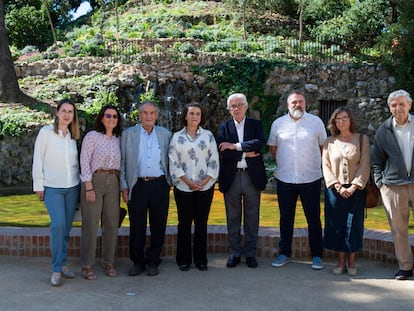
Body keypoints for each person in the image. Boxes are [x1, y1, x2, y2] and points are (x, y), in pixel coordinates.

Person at [267, 90, 327, 270]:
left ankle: (317, 255)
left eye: (300, 101)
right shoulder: (278, 124)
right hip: (285, 178)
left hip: (311, 178)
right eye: (294, 102)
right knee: (286, 218)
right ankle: (284, 253)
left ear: (305, 103)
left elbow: (323, 146)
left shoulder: (316, 123)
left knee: (313, 218)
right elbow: (273, 148)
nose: (297, 105)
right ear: (288, 105)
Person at [32, 98, 81, 287]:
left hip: (72, 187)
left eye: (70, 111)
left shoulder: (72, 135)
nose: (67, 114)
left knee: (66, 228)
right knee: (58, 225)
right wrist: (39, 185)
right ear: (57, 113)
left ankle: (62, 264)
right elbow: (38, 159)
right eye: (64, 111)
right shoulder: (46, 133)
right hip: (53, 187)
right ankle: (56, 269)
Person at [120, 101, 172, 277]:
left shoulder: (166, 134)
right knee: (137, 226)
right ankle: (137, 262)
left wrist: (169, 183)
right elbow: (121, 163)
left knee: (159, 224)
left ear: (157, 115)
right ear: (139, 115)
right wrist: (124, 187)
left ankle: (153, 261)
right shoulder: (128, 134)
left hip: (159, 184)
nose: (148, 116)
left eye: (152, 113)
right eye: (145, 113)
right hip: (137, 185)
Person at [217, 93, 267, 268]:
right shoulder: (224, 128)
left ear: (246, 107)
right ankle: (235, 253)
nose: (236, 108)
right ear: (229, 109)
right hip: (231, 177)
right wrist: (245, 152)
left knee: (252, 217)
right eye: (233, 106)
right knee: (233, 217)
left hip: (251, 176)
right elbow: (223, 151)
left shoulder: (256, 125)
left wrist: (236, 146)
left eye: (239, 105)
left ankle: (250, 253)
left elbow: (259, 143)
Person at [169, 102, 219, 271]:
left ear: (201, 117)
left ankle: (201, 259)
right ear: (185, 115)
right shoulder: (176, 137)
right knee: (184, 223)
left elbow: (214, 160)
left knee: (201, 223)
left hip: (205, 187)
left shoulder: (209, 136)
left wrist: (204, 181)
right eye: (191, 113)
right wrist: (189, 182)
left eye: (197, 113)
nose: (194, 116)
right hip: (183, 187)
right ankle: (183, 259)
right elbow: (173, 162)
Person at [322, 107, 370, 276]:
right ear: (334, 122)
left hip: (356, 190)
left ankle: (352, 262)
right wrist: (337, 186)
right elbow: (326, 166)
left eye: (344, 118)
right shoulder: (329, 142)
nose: (341, 121)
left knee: (354, 226)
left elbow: (365, 164)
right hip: (335, 190)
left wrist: (354, 186)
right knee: (337, 226)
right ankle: (340, 261)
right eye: (337, 119)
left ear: (351, 120)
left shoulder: (362, 139)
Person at [372, 89, 414, 280]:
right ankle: (405, 266)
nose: (398, 108)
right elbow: (376, 160)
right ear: (390, 107)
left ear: (409, 105)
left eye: (401, 104)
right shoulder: (384, 129)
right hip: (393, 186)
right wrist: (381, 184)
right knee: (399, 230)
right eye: (394, 105)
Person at [79, 105, 122, 280]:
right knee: (91, 223)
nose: (112, 119)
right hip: (94, 181)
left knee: (111, 224)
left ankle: (108, 262)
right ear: (102, 117)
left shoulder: (119, 138)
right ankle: (87, 265)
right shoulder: (92, 137)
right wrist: (89, 186)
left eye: (115, 116)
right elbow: (84, 161)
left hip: (113, 181)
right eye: (108, 115)